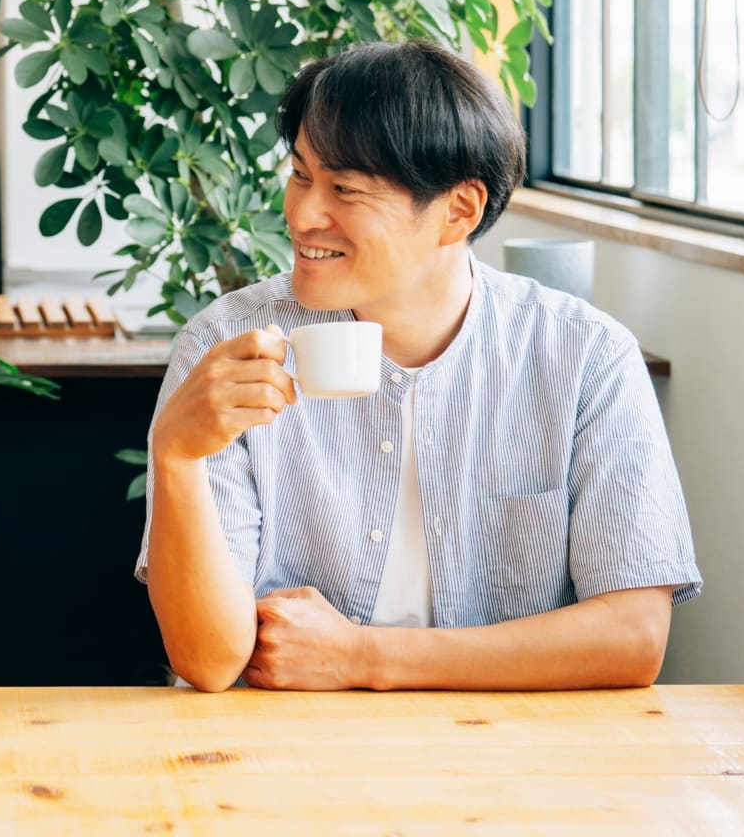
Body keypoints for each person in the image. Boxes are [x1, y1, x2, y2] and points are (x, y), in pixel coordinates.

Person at [138, 41, 700, 692]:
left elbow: (632, 638)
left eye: (344, 188)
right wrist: (175, 454)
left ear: (458, 211)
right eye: (299, 174)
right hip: (280, 754)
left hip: (514, 755)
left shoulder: (585, 359)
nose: (301, 214)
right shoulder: (228, 342)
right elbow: (209, 662)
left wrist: (362, 657)